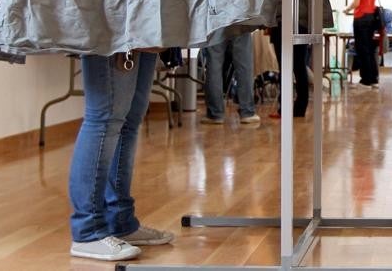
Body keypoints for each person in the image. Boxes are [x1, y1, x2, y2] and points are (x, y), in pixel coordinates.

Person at [68, 51, 175, 261]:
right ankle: (87, 231)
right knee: (105, 116)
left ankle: (120, 221)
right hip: (110, 22)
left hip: (143, 22)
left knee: (130, 119)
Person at [201, 28, 260, 125]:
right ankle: (247, 113)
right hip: (239, 17)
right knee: (244, 65)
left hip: (215, 17)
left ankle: (215, 114)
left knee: (214, 64)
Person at [343, 0, 380, 88]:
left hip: (361, 18)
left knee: (362, 49)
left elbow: (356, 2)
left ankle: (366, 79)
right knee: (370, 48)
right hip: (371, 17)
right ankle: (374, 78)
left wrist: (346, 9)